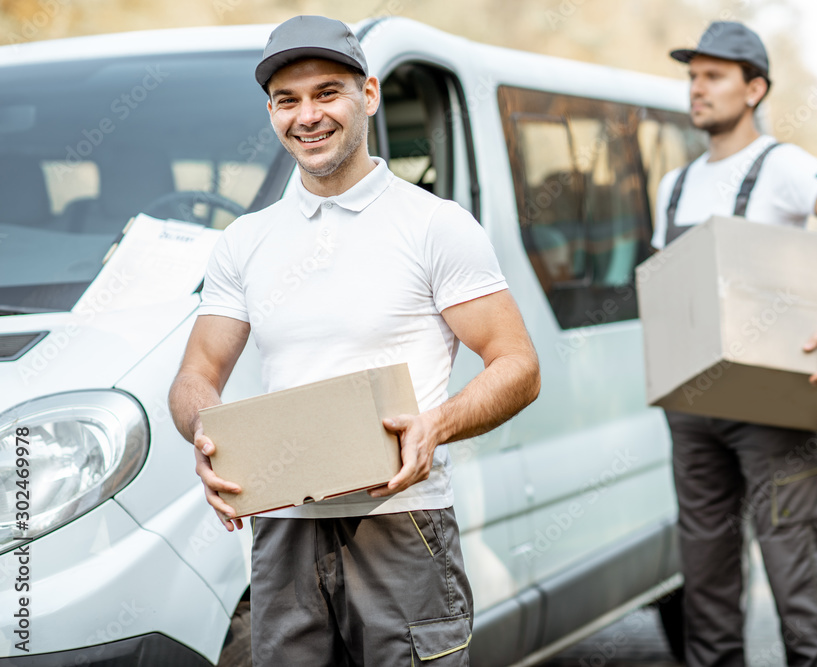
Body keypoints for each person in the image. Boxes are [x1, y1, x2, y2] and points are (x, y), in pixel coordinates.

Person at [168, 15, 540, 666]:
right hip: (283, 522)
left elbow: (518, 364)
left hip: (403, 518)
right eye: (288, 100)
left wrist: (437, 424)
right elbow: (197, 373)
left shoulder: (435, 226)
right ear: (272, 112)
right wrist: (207, 437)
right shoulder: (246, 241)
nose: (307, 116)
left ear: (368, 96)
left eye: (326, 93)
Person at [652, 21, 817, 667]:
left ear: (754, 88)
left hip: (774, 410)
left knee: (796, 582)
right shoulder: (673, 186)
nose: (696, 89)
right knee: (706, 589)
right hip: (693, 413)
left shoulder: (780, 166)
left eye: (713, 77)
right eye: (692, 76)